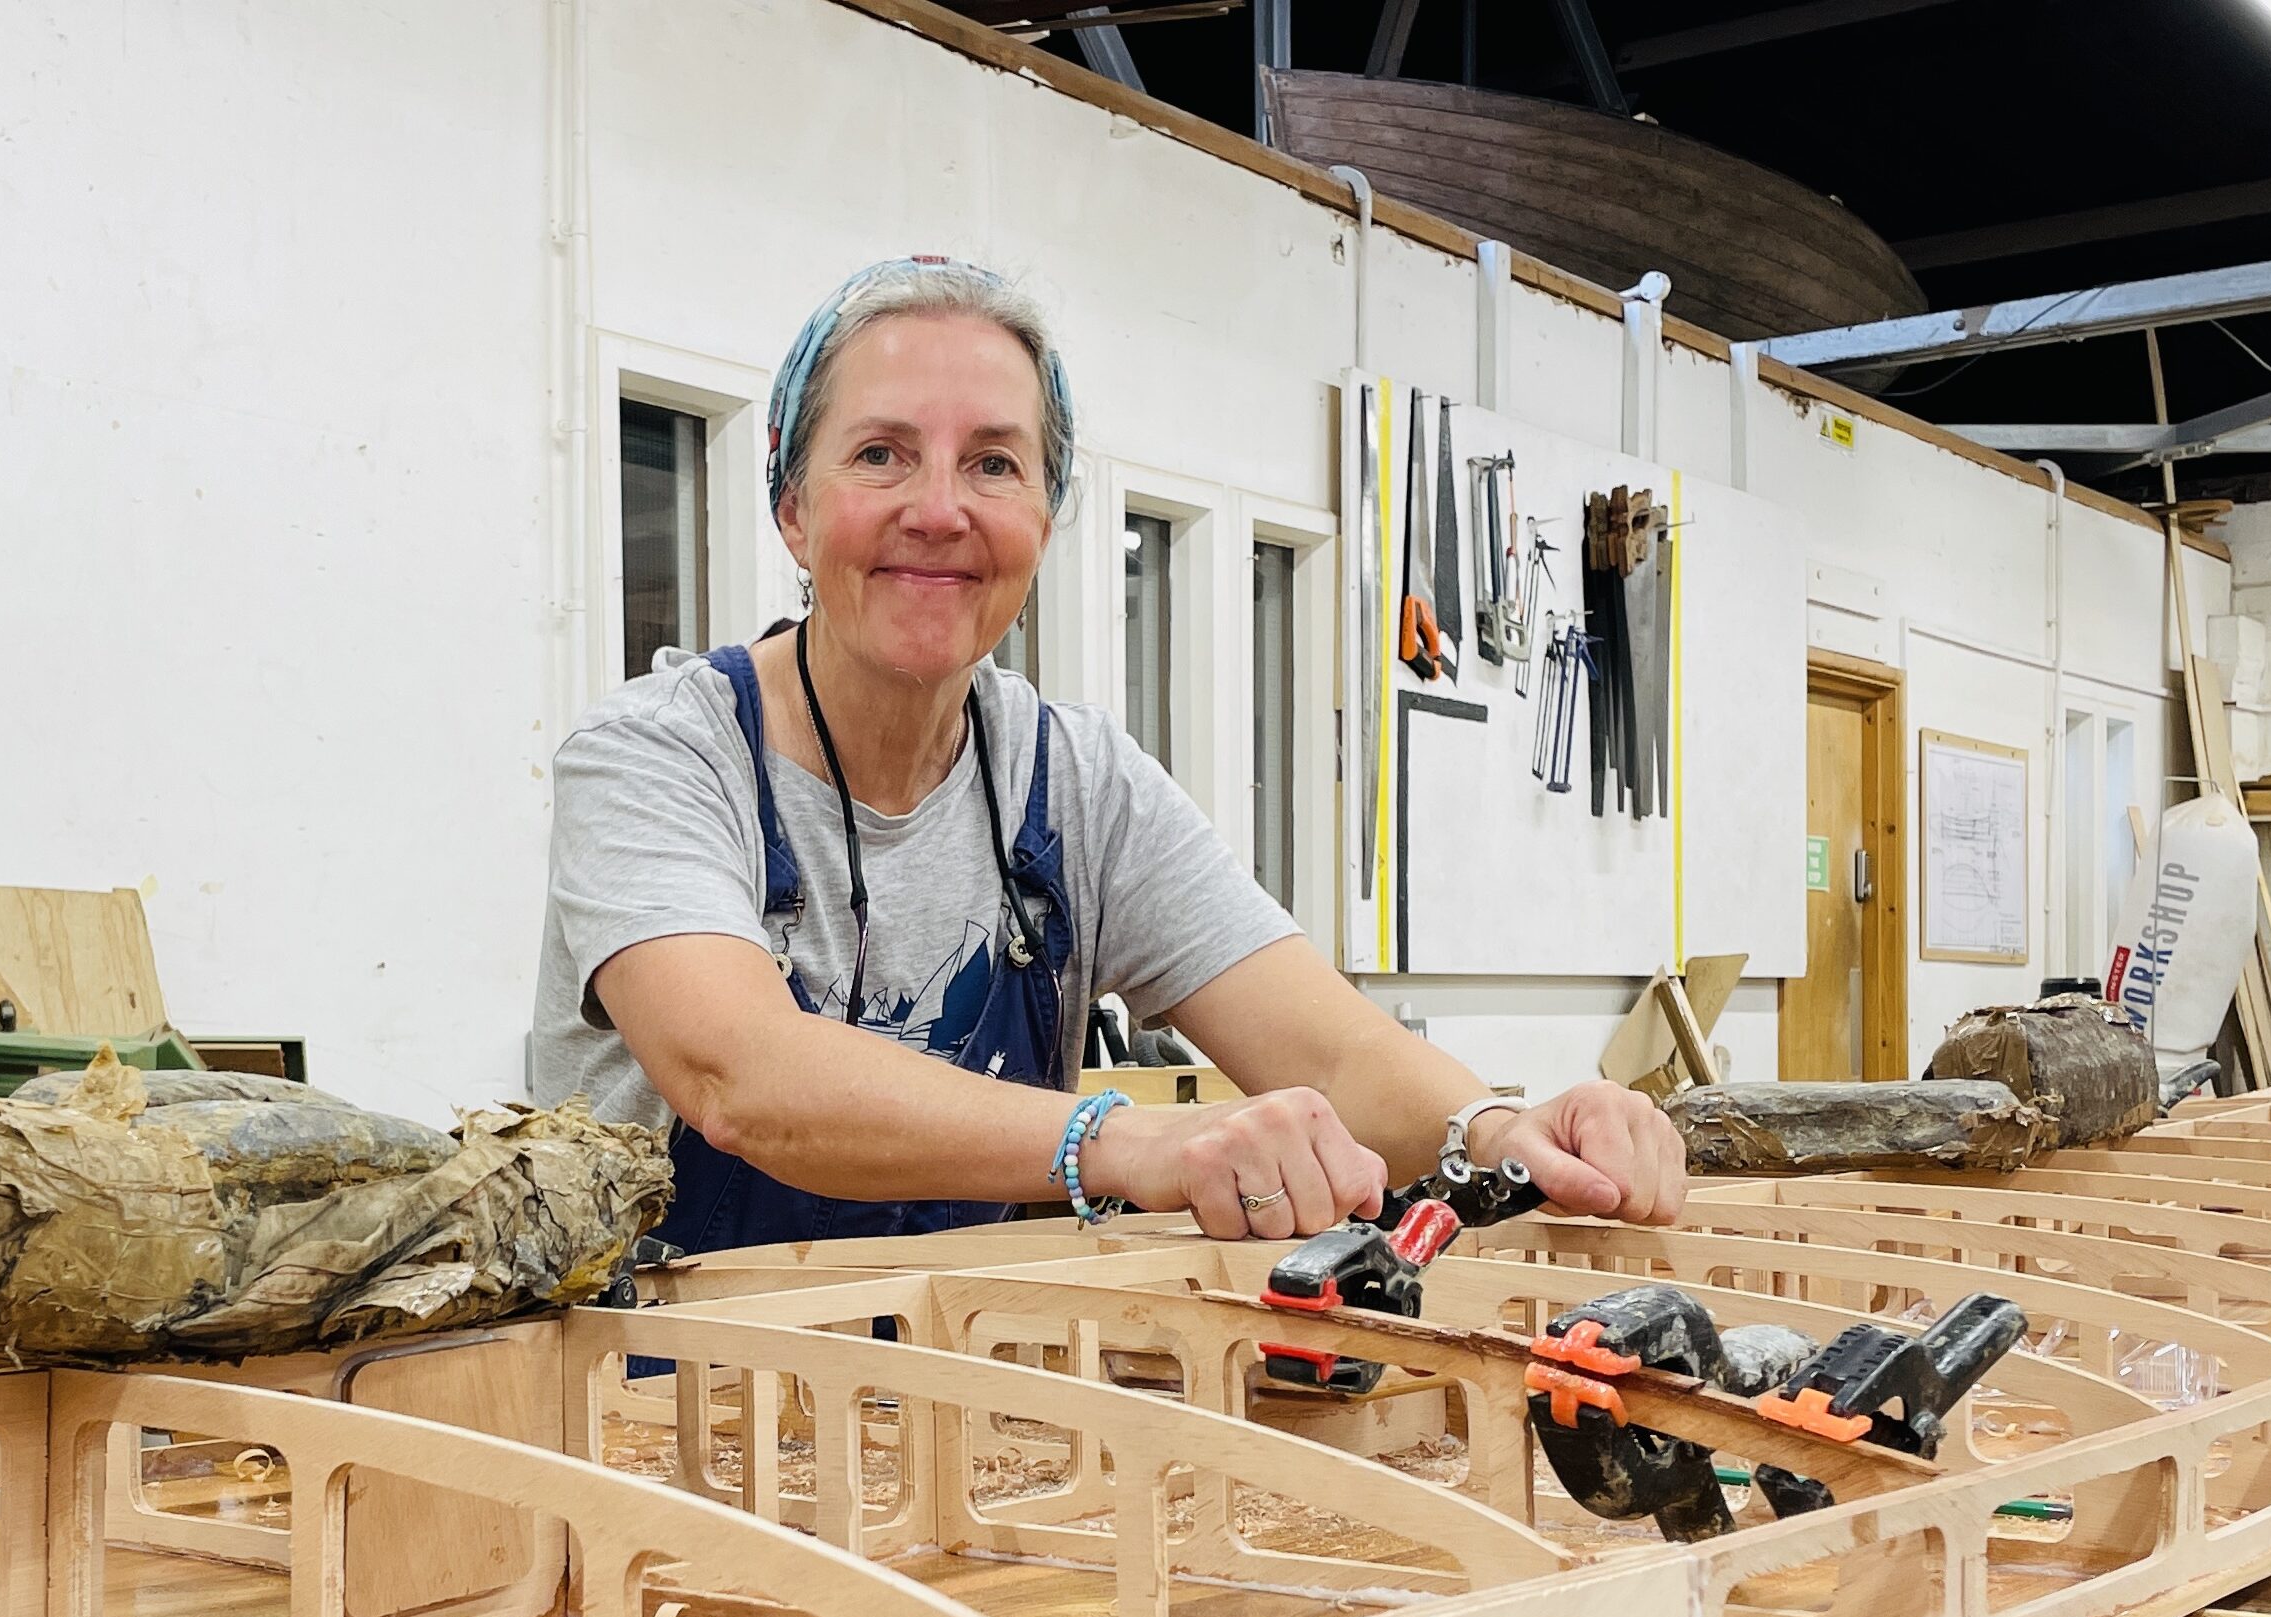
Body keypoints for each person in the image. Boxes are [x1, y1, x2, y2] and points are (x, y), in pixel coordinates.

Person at [529, 255, 1686, 1254]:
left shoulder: (1074, 782)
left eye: (994, 463)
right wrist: (1125, 1139)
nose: (940, 509)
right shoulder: (660, 755)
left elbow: (1332, 1050)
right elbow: (743, 1078)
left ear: (1045, 515)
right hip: (654, 1400)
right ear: (792, 506)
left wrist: (1498, 1130)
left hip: (949, 1383)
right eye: (881, 454)